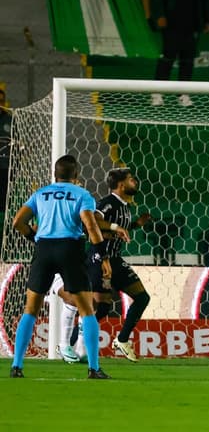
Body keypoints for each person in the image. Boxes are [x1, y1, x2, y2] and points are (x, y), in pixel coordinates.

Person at [10, 155, 110, 379]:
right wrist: (102, 256)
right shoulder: (82, 194)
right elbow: (91, 226)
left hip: (44, 249)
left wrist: (33, 237)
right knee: (87, 310)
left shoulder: (41, 194)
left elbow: (18, 222)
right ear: (76, 175)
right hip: (70, 249)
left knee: (31, 309)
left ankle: (16, 366)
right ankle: (93, 368)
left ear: (55, 174)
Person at [86, 168, 152, 363]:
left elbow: (119, 230)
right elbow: (95, 221)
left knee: (142, 297)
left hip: (115, 258)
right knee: (100, 307)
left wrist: (136, 224)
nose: (135, 182)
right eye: (132, 179)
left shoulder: (125, 206)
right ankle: (70, 343)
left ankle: (122, 340)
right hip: (100, 258)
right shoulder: (108, 203)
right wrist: (116, 227)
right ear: (121, 184)